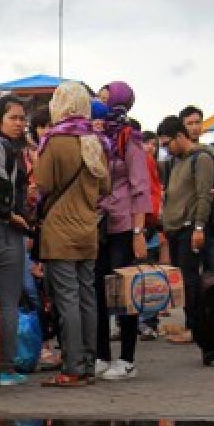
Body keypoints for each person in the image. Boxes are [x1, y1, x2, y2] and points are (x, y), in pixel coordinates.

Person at [34, 81, 111, 387]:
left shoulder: (55, 141)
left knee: (67, 300)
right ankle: (89, 364)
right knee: (88, 298)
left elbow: (44, 184)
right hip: (88, 229)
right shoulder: (95, 141)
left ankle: (73, 367)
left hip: (60, 231)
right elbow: (105, 187)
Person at [94, 81, 152, 381]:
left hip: (124, 225)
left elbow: (141, 188)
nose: (100, 104)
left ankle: (128, 358)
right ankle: (102, 354)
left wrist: (139, 231)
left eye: (105, 99)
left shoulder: (129, 139)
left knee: (125, 291)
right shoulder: (96, 138)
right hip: (99, 223)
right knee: (98, 288)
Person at [0, 94, 34, 386]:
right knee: (9, 302)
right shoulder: (4, 149)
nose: (19, 123)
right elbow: (1, 190)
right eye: (13, 117)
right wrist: (14, 216)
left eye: (22, 118)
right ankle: (6, 368)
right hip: (5, 229)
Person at [156, 116, 214, 345]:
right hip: (174, 228)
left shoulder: (201, 158)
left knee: (191, 279)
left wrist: (199, 226)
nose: (166, 149)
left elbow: (204, 196)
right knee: (183, 279)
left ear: (180, 136)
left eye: (167, 143)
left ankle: (195, 327)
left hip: (190, 227)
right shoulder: (174, 161)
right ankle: (190, 324)